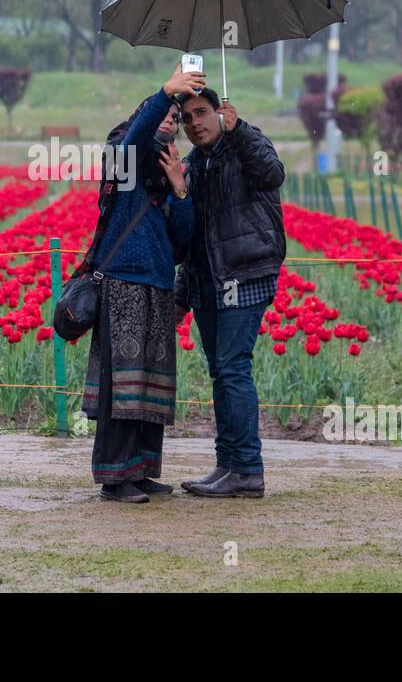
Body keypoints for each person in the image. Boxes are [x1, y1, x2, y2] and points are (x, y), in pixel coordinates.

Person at [82, 62, 204, 503]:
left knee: (149, 382)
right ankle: (115, 479)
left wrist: (180, 189)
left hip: (156, 285)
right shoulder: (123, 159)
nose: (173, 118)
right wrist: (163, 92)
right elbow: (133, 142)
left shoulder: (169, 169)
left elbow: (181, 241)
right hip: (122, 285)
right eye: (167, 113)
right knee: (122, 386)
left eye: (177, 116)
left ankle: (143, 470)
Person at [173, 87, 286, 498]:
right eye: (187, 118)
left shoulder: (245, 146)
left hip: (245, 274)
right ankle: (228, 465)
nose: (195, 123)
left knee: (234, 367)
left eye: (201, 113)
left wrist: (239, 131)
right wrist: (182, 295)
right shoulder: (194, 165)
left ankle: (248, 470)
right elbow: (194, 239)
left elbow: (273, 174)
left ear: (220, 112)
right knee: (221, 372)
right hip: (208, 283)